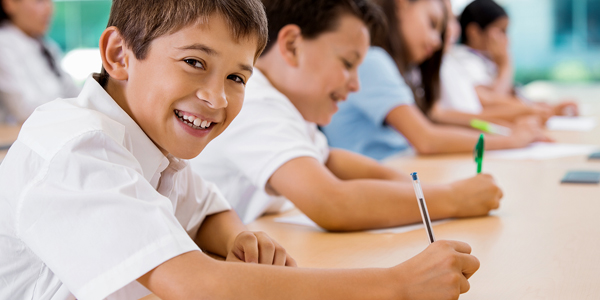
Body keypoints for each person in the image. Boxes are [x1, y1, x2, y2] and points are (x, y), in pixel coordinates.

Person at [0, 0, 480, 299]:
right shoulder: (77, 147)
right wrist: (396, 286)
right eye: (193, 62)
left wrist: (236, 240)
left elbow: (208, 209)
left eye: (236, 77)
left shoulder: (154, 145)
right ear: (119, 56)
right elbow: (197, 285)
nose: (218, 98)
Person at [190, 0, 502, 234]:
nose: (355, 84)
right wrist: (453, 198)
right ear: (292, 45)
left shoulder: (286, 105)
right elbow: (331, 202)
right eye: (348, 63)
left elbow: (329, 160)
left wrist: (413, 186)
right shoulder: (254, 102)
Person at [322, 0, 547, 161]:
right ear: (402, 4)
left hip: (401, 170)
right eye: (432, 24)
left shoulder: (399, 69)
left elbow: (437, 121)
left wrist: (505, 131)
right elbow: (426, 139)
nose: (437, 41)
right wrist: (511, 140)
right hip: (386, 176)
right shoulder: (373, 61)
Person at [438, 0, 577, 123]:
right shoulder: (465, 60)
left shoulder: (484, 60)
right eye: (501, 31)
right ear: (474, 32)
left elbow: (506, 100)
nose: (507, 39)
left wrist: (544, 108)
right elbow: (491, 102)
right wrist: (505, 64)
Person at [0, 0, 79, 124]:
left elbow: (72, 91)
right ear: (9, 4)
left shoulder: (47, 46)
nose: (49, 9)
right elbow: (24, 110)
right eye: (39, 1)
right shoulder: (4, 44)